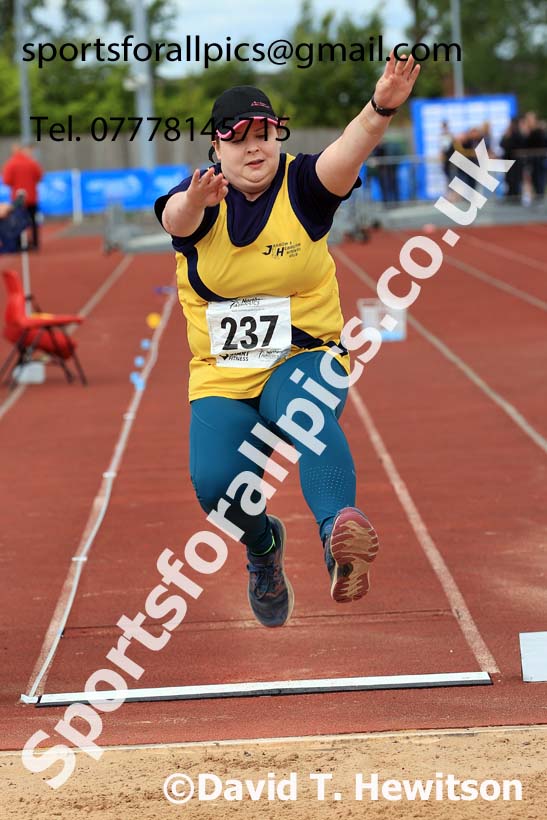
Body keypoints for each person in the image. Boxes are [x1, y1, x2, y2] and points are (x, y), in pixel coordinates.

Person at [155, 52, 420, 628]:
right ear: (217, 147)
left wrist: (382, 107)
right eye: (241, 138)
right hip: (223, 372)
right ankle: (264, 547)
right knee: (217, 487)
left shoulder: (305, 185)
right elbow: (175, 219)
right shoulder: (201, 197)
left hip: (305, 354)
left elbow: (351, 148)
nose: (256, 148)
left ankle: (338, 537)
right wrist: (195, 201)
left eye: (267, 134)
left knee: (305, 413)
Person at [2, 143, 43, 250]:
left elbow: (6, 180)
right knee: (33, 220)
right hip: (32, 196)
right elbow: (39, 176)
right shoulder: (32, 162)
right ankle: (35, 243)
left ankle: (19, 244)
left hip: (17, 197)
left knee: (17, 221)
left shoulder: (11, 163)